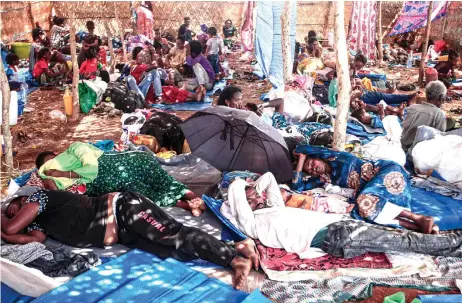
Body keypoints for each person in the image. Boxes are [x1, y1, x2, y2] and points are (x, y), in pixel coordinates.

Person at [1, 188, 256, 290]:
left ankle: (233, 259)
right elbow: (29, 239)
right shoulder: (39, 222)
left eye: (9, 208)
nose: (9, 212)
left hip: (122, 208)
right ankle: (233, 247)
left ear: (22, 199)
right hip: (121, 233)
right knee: (171, 251)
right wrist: (5, 233)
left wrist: (5, 225)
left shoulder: (39, 198)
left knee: (173, 235)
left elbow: (13, 228)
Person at [293, 145, 439, 234]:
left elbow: (302, 148)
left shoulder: (334, 156)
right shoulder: (325, 178)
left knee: (364, 201)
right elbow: (297, 187)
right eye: (310, 170)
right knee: (361, 212)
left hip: (386, 171)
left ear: (318, 157)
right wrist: (300, 164)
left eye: (312, 162)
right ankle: (417, 227)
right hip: (374, 191)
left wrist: (301, 155)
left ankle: (418, 218)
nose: (313, 168)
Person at [35, 142, 206, 216]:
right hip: (122, 183)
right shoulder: (65, 184)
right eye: (47, 166)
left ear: (58, 155)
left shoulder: (75, 149)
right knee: (146, 196)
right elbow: (56, 197)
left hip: (131, 163)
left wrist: (64, 174)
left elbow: (91, 167)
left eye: (53, 160)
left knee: (163, 181)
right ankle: (188, 205)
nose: (53, 166)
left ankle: (192, 197)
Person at [401, 81, 447, 153]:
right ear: (441, 98)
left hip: (402, 149)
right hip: (418, 155)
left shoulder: (412, 108)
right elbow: (439, 140)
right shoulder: (439, 114)